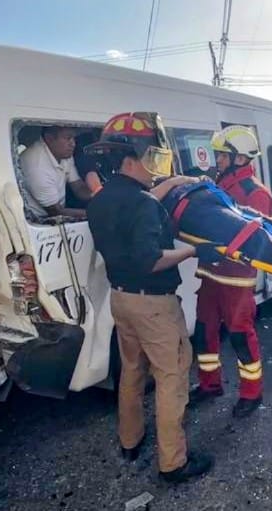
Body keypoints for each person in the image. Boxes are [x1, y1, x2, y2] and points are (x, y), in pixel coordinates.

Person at [87, 112, 220, 483]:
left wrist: (178, 180)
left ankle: (131, 441)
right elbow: (152, 259)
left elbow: (144, 199)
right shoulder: (142, 205)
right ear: (131, 160)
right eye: (152, 159)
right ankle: (173, 463)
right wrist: (195, 252)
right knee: (172, 377)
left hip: (122, 300)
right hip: (154, 306)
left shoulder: (101, 200)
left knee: (131, 372)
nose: (155, 168)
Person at [188, 125, 272, 419]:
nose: (218, 160)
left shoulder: (257, 194)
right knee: (203, 332)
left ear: (240, 158)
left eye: (222, 155)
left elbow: (256, 238)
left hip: (236, 279)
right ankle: (209, 384)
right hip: (210, 274)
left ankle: (252, 392)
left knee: (240, 336)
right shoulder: (217, 185)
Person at [21, 126, 94, 219]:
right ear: (49, 139)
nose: (73, 144)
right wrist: (95, 213)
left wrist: (97, 194)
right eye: (68, 138)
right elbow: (56, 211)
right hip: (39, 219)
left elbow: (78, 187)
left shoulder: (63, 153)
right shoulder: (37, 166)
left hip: (58, 211)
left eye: (73, 138)